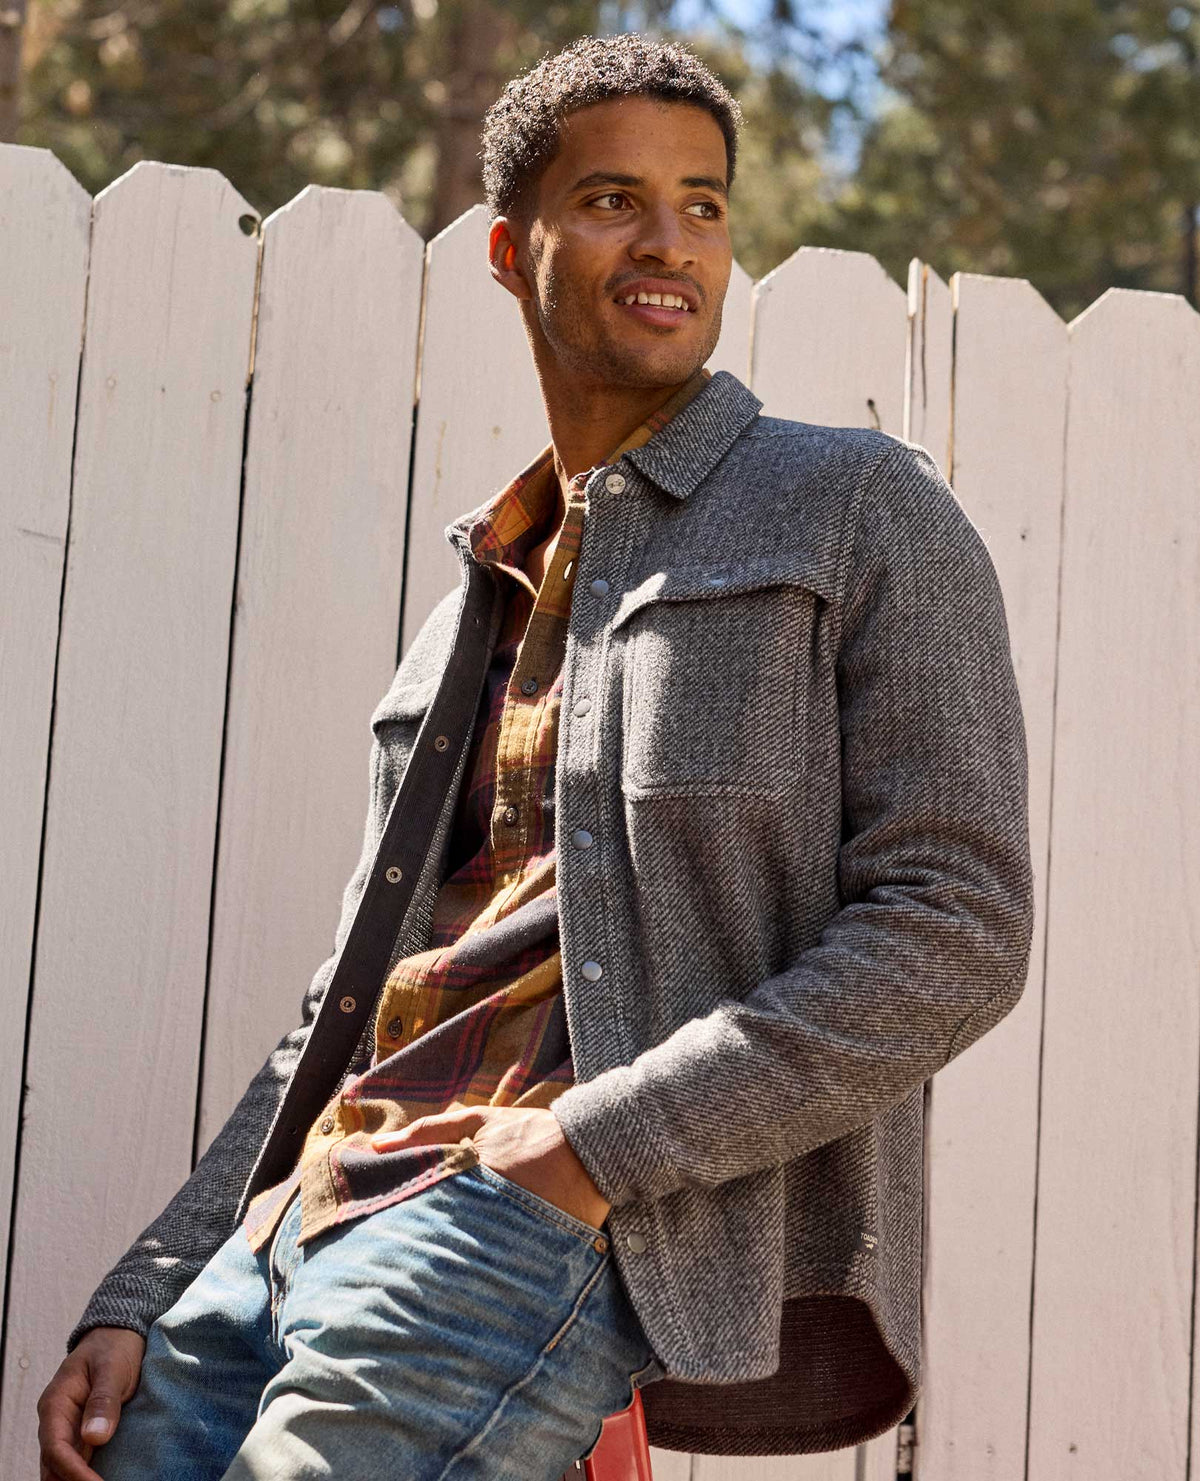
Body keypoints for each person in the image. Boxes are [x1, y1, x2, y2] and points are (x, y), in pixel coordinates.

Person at [37, 30, 1035, 1481]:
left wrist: (589, 1151)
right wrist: (152, 1282)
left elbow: (958, 925)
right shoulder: (473, 604)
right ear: (513, 250)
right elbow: (354, 999)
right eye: (614, 198)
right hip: (296, 1222)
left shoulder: (858, 509)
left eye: (703, 203)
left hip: (515, 1214)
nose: (670, 240)